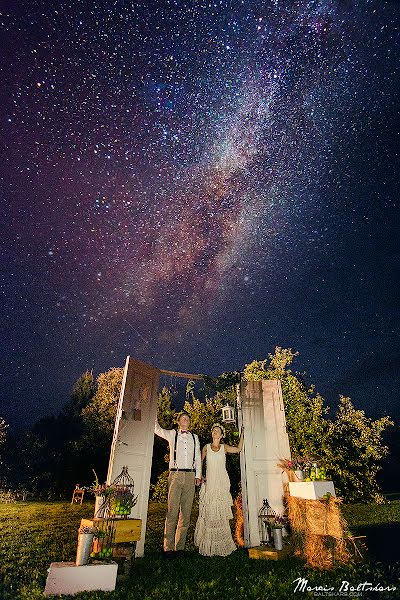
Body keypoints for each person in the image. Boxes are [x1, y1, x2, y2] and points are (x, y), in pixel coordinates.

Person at [155, 411, 201, 557]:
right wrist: (153, 414)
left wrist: (198, 475)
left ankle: (179, 547)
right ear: (179, 422)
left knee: (186, 513)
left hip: (190, 475)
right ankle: (168, 548)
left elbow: (198, 457)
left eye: (187, 418)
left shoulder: (195, 438)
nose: (185, 420)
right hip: (175, 474)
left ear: (189, 422)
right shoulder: (172, 434)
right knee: (172, 512)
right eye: (183, 419)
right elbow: (156, 429)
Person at [194, 423, 244, 557]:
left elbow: (239, 449)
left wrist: (243, 433)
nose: (215, 432)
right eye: (213, 430)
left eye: (218, 431)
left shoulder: (224, 447)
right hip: (210, 484)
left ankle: (222, 545)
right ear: (212, 434)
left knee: (221, 515)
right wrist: (200, 476)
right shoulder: (206, 448)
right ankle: (209, 545)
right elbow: (198, 462)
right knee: (210, 514)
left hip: (222, 483)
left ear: (221, 435)